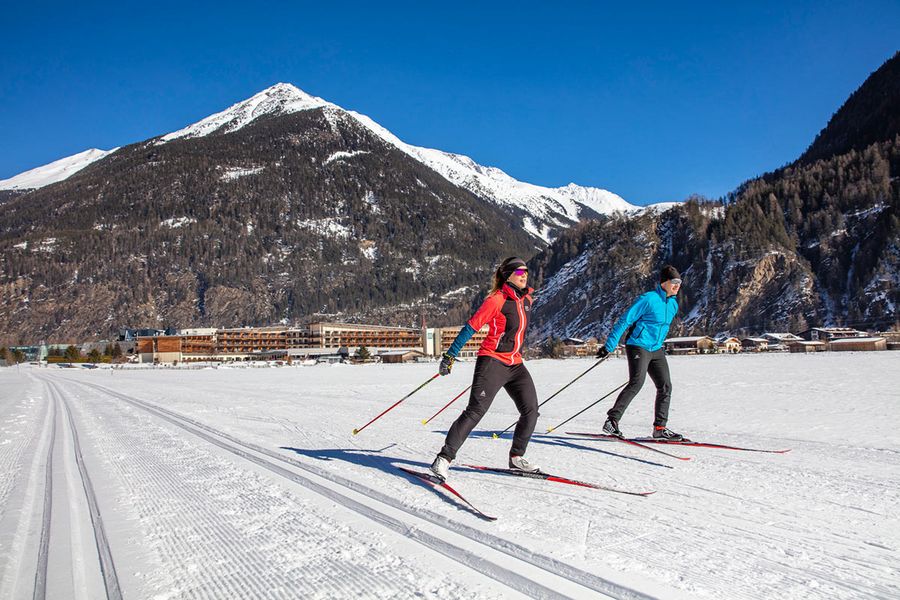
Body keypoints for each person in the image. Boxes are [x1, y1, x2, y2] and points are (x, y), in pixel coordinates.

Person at [429, 257, 540, 481]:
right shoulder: (496, 300)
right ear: (508, 275)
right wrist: (450, 356)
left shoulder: (526, 299)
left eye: (526, 271)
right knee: (475, 411)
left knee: (531, 410)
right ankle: (443, 459)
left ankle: (516, 457)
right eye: (519, 271)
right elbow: (471, 327)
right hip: (492, 361)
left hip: (515, 363)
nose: (524, 274)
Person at [596, 265, 685, 441]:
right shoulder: (648, 299)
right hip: (638, 345)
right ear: (664, 282)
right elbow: (625, 320)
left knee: (665, 385)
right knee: (637, 382)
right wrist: (609, 346)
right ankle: (612, 421)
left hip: (656, 349)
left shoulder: (673, 304)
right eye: (673, 282)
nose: (677, 286)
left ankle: (660, 428)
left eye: (679, 282)